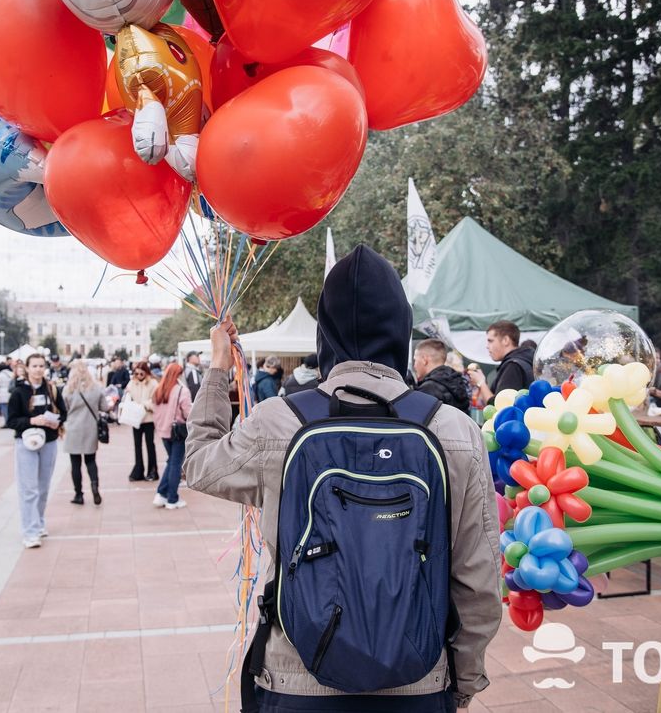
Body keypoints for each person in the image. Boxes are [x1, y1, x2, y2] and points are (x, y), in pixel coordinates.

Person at [184, 245, 501, 711]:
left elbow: (198, 464)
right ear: (401, 330)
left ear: (325, 332)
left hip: (296, 678)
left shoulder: (279, 422)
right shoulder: (453, 430)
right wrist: (464, 680)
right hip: (418, 680)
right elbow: (478, 579)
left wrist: (216, 369)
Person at [7, 353, 67, 548]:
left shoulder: (52, 390)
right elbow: (11, 420)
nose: (38, 369)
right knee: (28, 489)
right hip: (26, 443)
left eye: (41, 366)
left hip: (48, 441)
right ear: (27, 368)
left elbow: (63, 413)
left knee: (43, 487)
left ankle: (39, 522)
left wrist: (54, 422)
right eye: (34, 366)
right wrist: (31, 421)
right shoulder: (18, 392)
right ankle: (30, 531)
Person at [62, 359, 108, 506]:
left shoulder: (68, 389)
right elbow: (104, 407)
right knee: (91, 460)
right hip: (90, 428)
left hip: (74, 428)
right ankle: (95, 486)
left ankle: (78, 494)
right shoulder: (96, 387)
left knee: (75, 463)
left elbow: (65, 409)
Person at [152, 363, 192, 510]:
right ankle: (172, 498)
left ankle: (161, 493)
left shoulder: (159, 390)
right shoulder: (182, 391)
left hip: (163, 430)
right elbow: (188, 413)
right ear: (179, 375)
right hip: (177, 431)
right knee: (175, 464)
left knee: (171, 462)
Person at [466, 320, 533, 405]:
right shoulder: (525, 361)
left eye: (490, 341)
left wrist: (481, 382)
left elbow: (498, 407)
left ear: (505, 340)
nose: (487, 346)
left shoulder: (513, 366)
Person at [413, 339, 471, 414]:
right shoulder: (458, 381)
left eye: (415, 360)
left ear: (424, 360)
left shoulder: (428, 389)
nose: (414, 365)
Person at [124, 361, 159, 482]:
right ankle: (138, 470)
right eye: (136, 373)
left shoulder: (153, 383)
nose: (138, 376)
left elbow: (155, 400)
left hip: (148, 418)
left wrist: (144, 405)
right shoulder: (132, 383)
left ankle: (152, 471)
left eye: (141, 373)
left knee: (150, 445)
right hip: (136, 419)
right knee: (137, 445)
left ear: (146, 372)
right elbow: (128, 397)